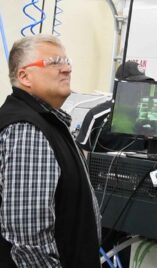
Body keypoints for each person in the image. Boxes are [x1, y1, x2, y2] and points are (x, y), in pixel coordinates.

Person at [0, 34, 101, 267]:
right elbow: (28, 233)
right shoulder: (27, 129)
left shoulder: (49, 122)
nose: (66, 69)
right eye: (54, 62)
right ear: (24, 76)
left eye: (67, 62)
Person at [76, 60, 153, 152]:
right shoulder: (97, 115)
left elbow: (149, 152)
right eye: (136, 85)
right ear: (120, 85)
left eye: (143, 86)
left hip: (137, 166)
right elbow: (81, 152)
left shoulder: (147, 117)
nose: (141, 90)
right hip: (100, 166)